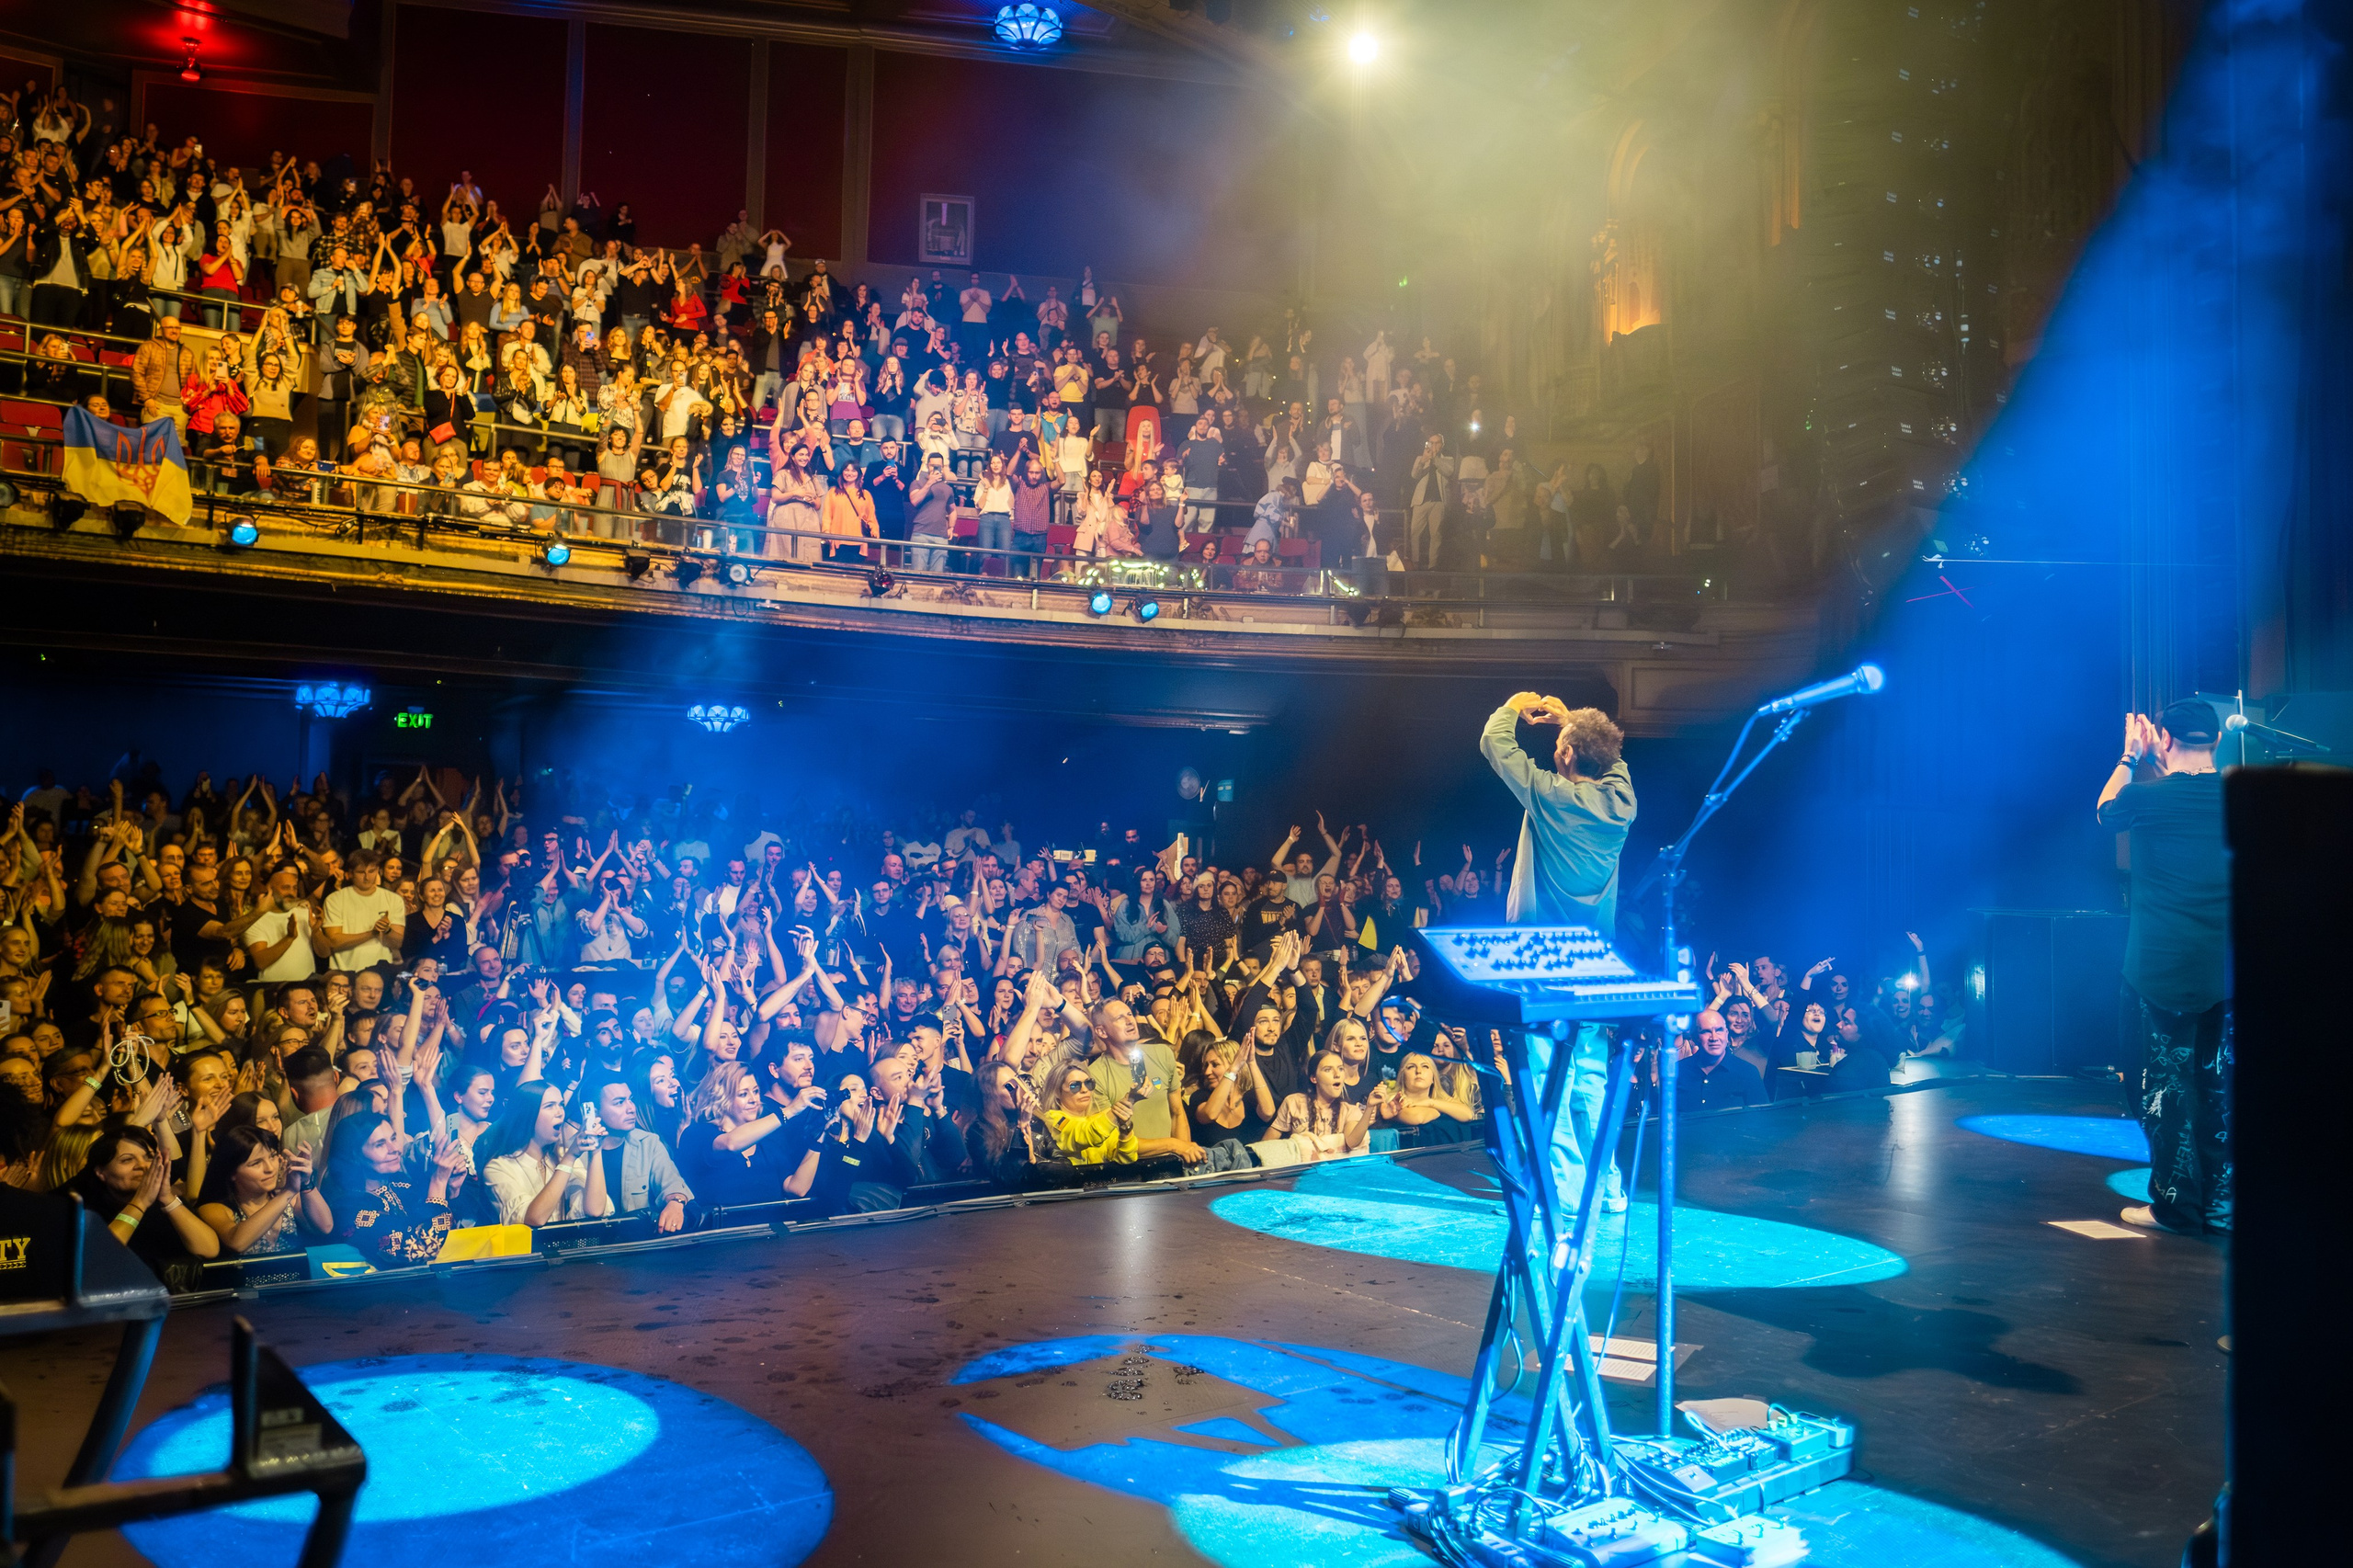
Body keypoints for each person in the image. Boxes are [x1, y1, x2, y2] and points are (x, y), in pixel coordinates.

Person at [1478, 691, 1639, 1214]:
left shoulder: (1551, 795)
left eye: (1563, 747)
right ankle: (1607, 1186)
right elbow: (1614, 763)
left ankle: (1569, 1195)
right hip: (1597, 960)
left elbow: (1494, 745)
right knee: (1590, 1073)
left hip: (1542, 958)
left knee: (1550, 1076)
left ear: (1566, 755)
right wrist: (1574, 721)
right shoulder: (1621, 804)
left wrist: (1514, 706)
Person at [2097, 700, 2231, 1234]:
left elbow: (2106, 810)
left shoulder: (2146, 798)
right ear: (2217, 742)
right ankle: (2220, 1206)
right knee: (2217, 1089)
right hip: (2223, 972)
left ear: (2165, 740)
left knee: (2161, 1089)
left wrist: (2130, 756)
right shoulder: (2241, 802)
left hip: (2159, 970)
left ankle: (2176, 1207)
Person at [1677, 1008, 1765, 1111]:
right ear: (1696, 1037)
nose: (1714, 1038)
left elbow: (1761, 1120)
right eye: (1706, 1031)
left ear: (1726, 1034)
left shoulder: (1748, 1072)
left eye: (1719, 1030)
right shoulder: (1677, 1071)